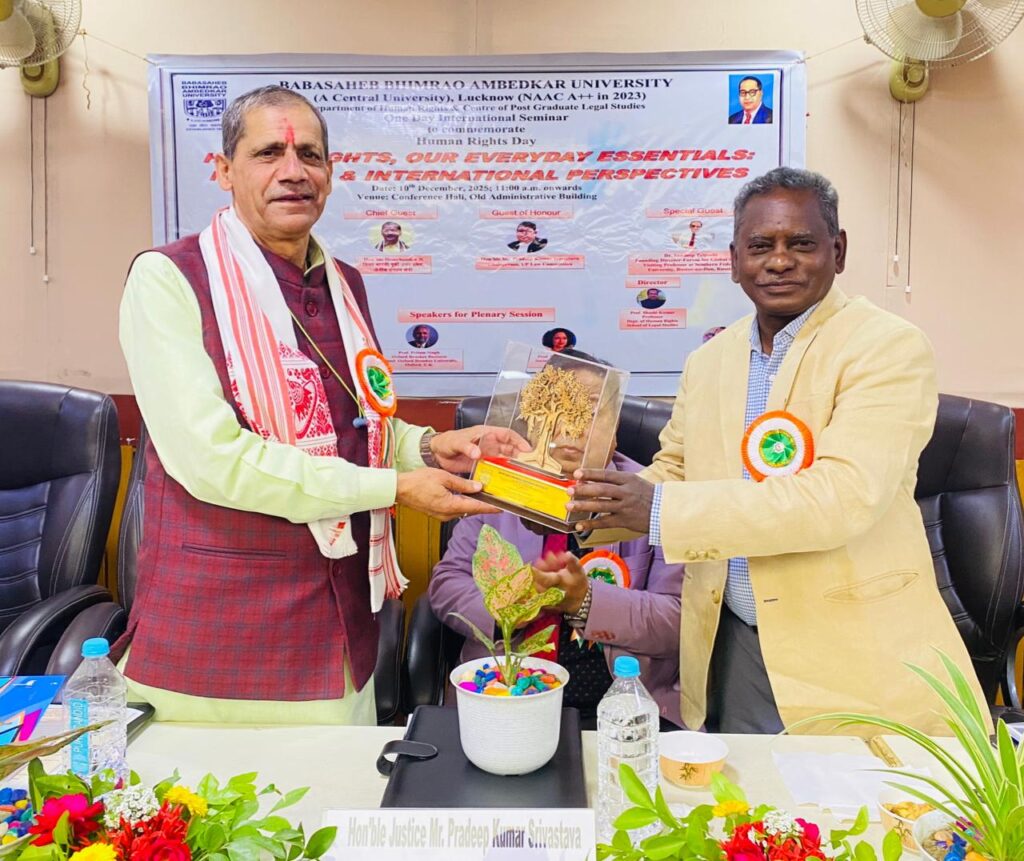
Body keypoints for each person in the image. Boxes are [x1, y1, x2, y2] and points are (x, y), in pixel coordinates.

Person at [117, 85, 528, 724]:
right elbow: (212, 461)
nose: (293, 171)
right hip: (218, 634)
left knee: (335, 789)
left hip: (341, 629)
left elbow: (356, 426)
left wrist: (428, 447)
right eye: (268, 153)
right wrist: (394, 487)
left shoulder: (344, 283)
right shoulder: (170, 278)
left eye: (309, 154)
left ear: (330, 175)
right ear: (223, 170)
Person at [566, 167, 987, 736]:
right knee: (747, 793)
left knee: (856, 796)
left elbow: (841, 497)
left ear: (838, 251)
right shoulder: (708, 361)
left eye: (801, 244)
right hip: (733, 644)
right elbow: (676, 471)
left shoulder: (887, 347)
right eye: (761, 246)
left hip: (853, 651)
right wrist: (577, 503)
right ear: (734, 260)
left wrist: (658, 508)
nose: (779, 261)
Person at [430, 350, 684, 728]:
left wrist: (585, 601)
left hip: (622, 707)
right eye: (559, 407)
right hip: (503, 699)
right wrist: (511, 604)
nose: (572, 425)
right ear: (532, 420)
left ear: (615, 428)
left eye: (590, 410)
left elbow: (678, 620)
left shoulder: (653, 497)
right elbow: (446, 586)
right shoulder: (495, 487)